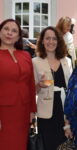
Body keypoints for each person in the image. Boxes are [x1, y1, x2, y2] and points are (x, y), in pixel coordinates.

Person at [32, 26, 72, 150]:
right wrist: (39, 85)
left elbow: (71, 89)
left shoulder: (67, 61)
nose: (51, 42)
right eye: (47, 38)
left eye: (54, 39)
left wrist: (70, 118)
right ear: (42, 41)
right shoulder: (35, 62)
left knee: (65, 145)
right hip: (46, 113)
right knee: (48, 145)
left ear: (59, 41)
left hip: (64, 110)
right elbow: (31, 91)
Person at [0, 19, 36, 150]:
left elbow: (30, 84)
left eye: (14, 31)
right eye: (6, 29)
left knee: (19, 145)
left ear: (19, 36)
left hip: (23, 111)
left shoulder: (25, 55)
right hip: (3, 112)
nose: (9, 33)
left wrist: (33, 110)